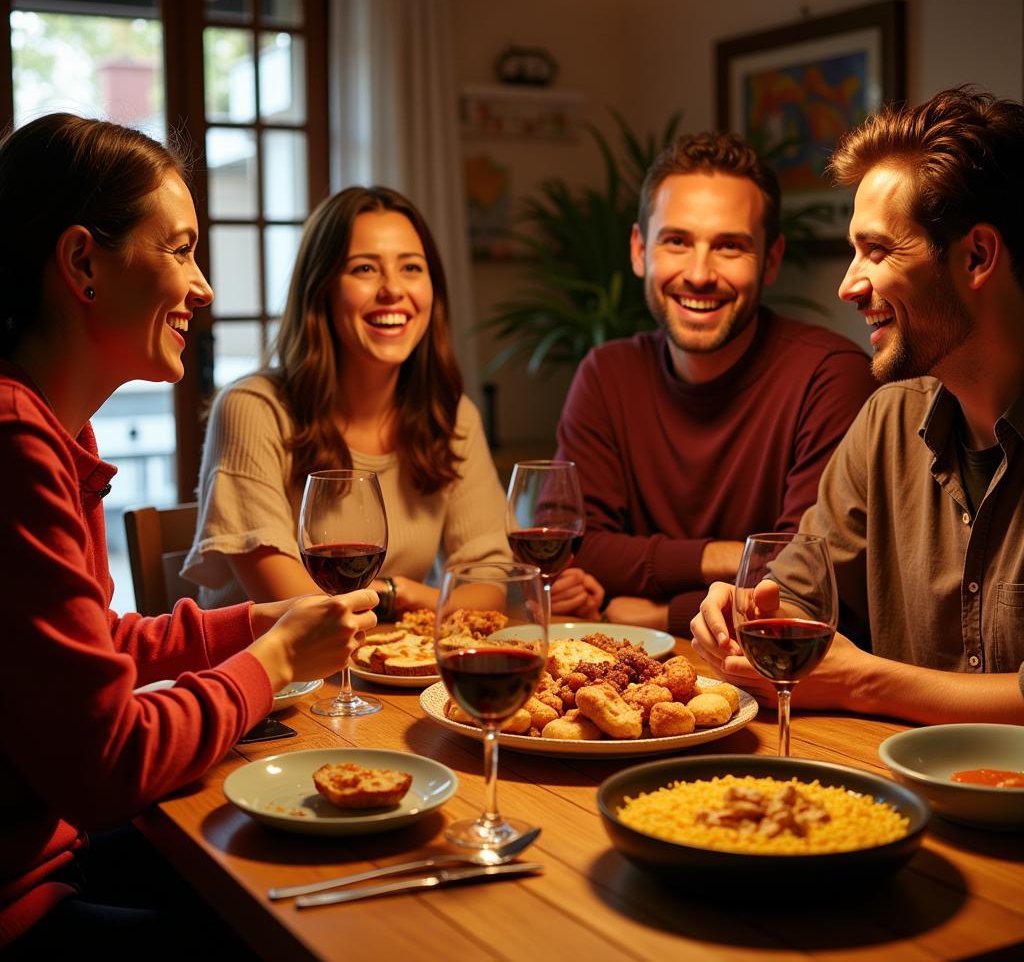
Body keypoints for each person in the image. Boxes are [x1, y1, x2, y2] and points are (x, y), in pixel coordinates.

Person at [0, 114, 377, 953]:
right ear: (80, 263)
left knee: (328, 882)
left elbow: (86, 649)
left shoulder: (57, 430)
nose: (203, 287)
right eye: (178, 250)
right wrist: (270, 664)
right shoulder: (14, 443)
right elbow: (104, 766)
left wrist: (246, 626)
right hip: (22, 903)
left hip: (56, 854)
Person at [691, 86, 1024, 724]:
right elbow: (792, 595)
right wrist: (746, 614)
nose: (849, 284)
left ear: (976, 256)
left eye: (877, 250)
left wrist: (861, 684)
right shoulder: (888, 421)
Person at [182, 186, 603, 620]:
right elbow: (296, 606)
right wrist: (411, 597)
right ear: (321, 288)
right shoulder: (253, 409)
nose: (393, 290)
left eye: (411, 268)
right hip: (274, 682)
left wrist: (404, 593)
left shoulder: (451, 417)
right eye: (365, 268)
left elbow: (489, 588)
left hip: (390, 676)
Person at [556, 131, 876, 634]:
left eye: (730, 246)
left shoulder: (829, 375)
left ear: (770, 260)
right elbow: (576, 549)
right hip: (628, 662)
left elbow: (806, 575)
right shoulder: (606, 375)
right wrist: (725, 557)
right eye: (677, 241)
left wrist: (664, 613)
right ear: (641, 251)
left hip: (777, 682)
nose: (700, 274)